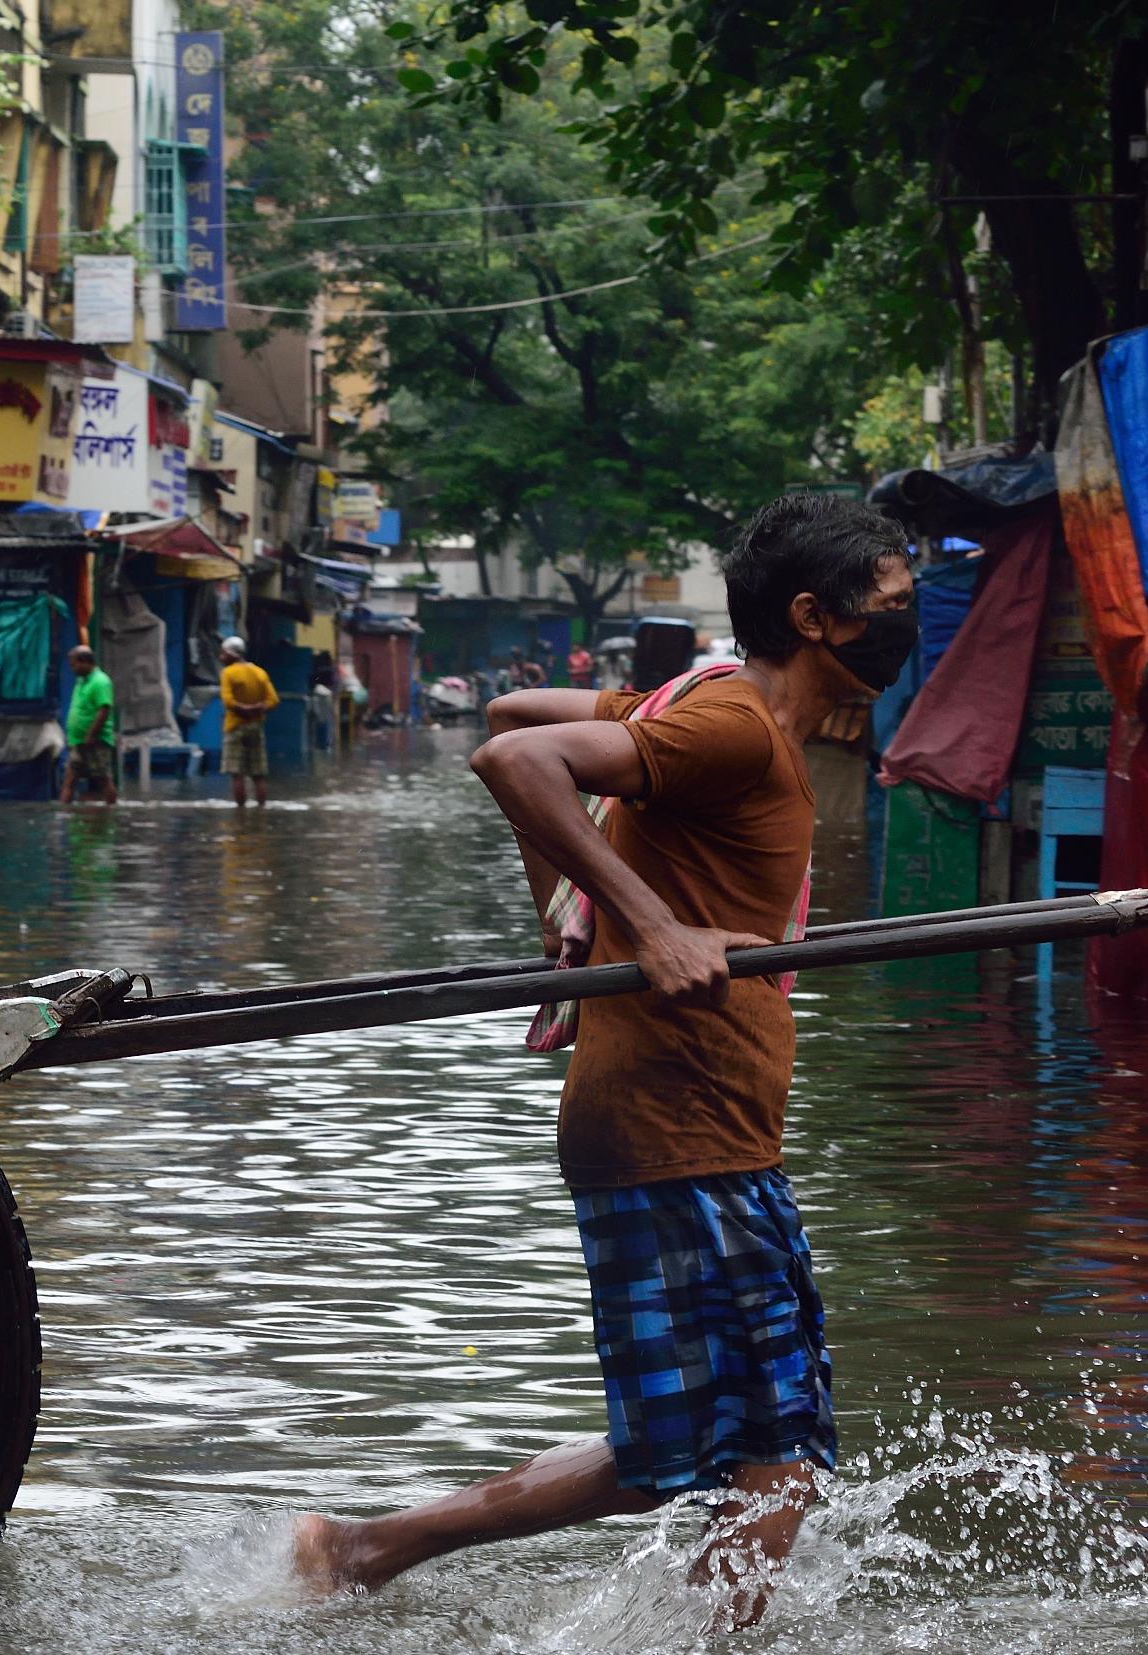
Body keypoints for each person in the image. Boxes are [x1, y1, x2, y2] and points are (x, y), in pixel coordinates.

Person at [290, 494, 919, 1631]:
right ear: (816, 616)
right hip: (675, 1121)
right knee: (777, 1452)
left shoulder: (709, 710)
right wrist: (644, 917)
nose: (908, 622)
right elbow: (516, 753)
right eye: (893, 603)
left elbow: (519, 701)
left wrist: (567, 907)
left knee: (693, 1439)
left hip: (705, 1121)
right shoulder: (728, 721)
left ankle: (365, 1546)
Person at [216, 636, 278, 807]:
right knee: (258, 774)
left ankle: (240, 812)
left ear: (231, 654)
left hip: (235, 726)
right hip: (256, 726)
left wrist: (243, 709)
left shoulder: (228, 673)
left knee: (237, 774)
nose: (221, 657)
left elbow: (228, 701)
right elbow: (273, 700)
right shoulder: (259, 672)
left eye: (223, 653)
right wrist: (258, 708)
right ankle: (261, 810)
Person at [59, 643, 118, 807]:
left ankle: (111, 810)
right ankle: (63, 813)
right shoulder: (81, 681)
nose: (72, 668)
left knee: (102, 778)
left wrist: (91, 734)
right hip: (78, 741)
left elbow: (104, 710)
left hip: (96, 741)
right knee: (69, 778)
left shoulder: (101, 681)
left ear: (85, 662)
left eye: (74, 664)